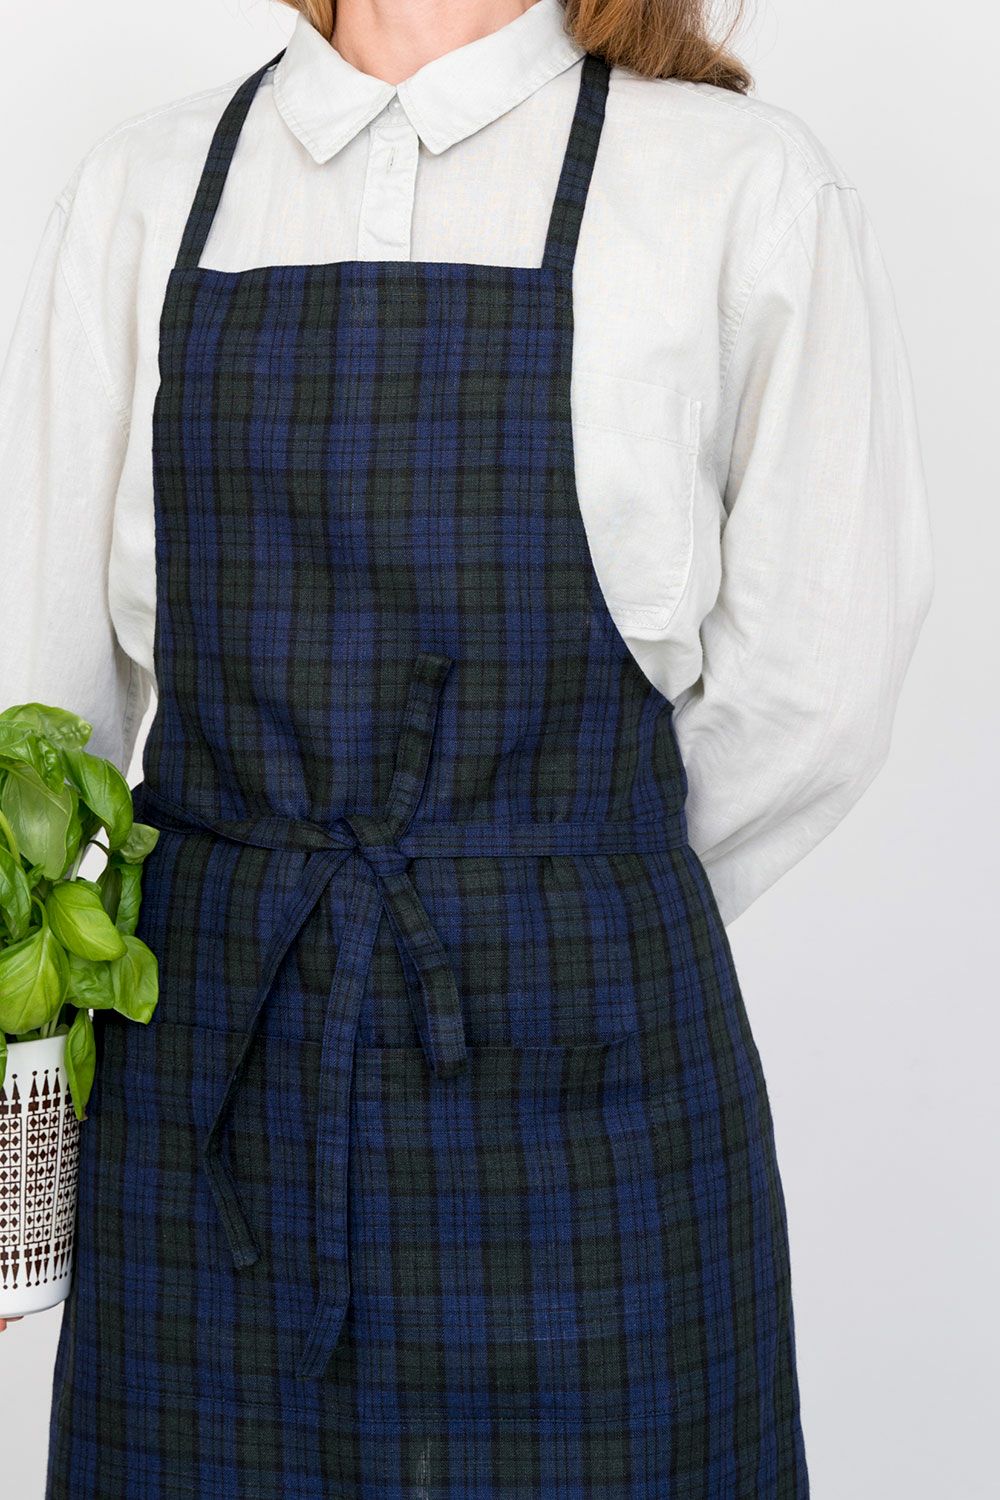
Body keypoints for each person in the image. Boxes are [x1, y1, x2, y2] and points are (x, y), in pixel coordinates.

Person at [0, 0, 933, 1494]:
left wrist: (566, 894)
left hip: (602, 1112)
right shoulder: (144, 187)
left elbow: (817, 686)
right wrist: (22, 1156)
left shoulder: (738, 185)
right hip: (205, 1115)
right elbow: (39, 749)